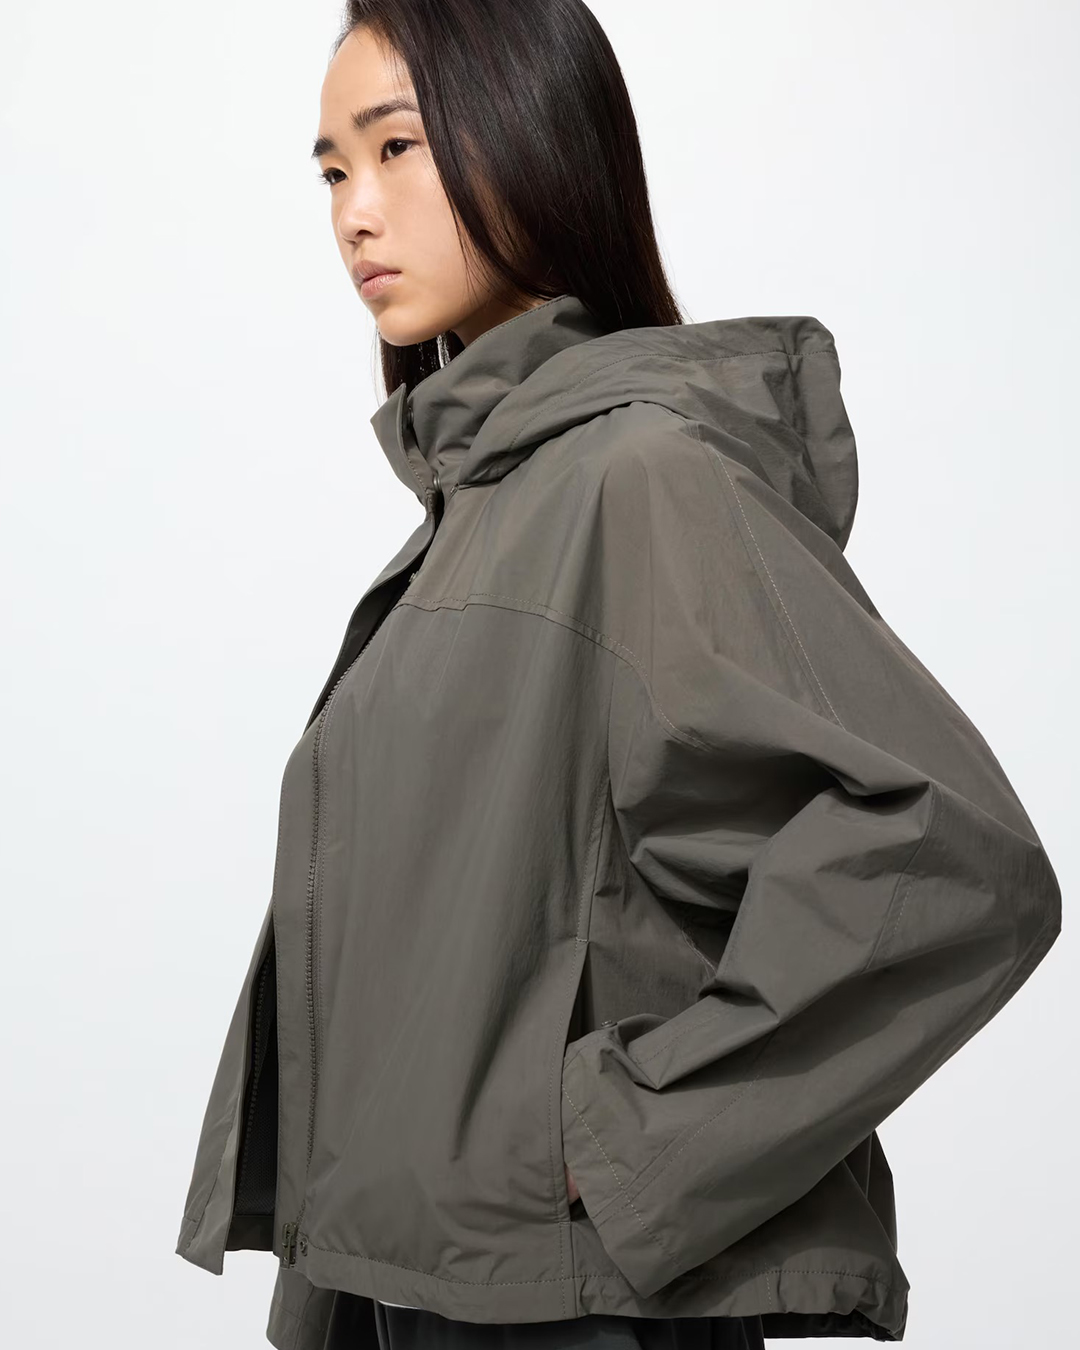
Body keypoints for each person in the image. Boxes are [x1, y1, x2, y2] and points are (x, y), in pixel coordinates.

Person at [174, 3, 1062, 1347]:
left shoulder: (643, 474)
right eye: (333, 169)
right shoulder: (482, 505)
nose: (355, 212)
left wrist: (628, 1150)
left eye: (398, 148)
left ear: (531, 138)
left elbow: (950, 854)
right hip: (420, 1287)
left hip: (570, 1302)